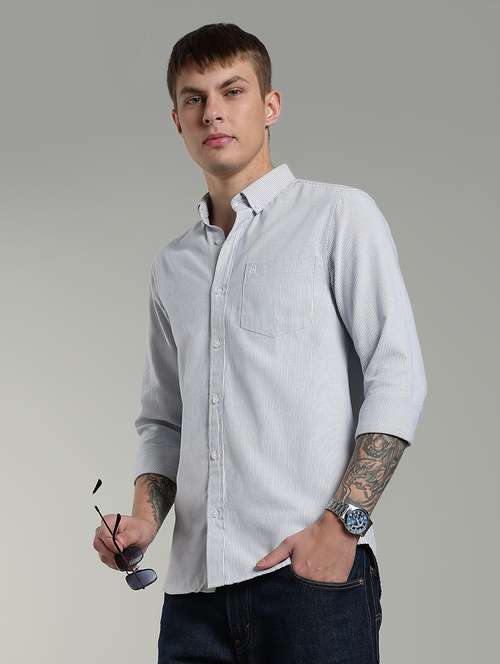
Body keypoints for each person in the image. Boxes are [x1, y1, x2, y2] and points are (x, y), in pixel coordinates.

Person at [93, 22, 427, 664]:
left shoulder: (337, 216)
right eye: (194, 98)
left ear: (270, 105)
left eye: (232, 91)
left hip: (309, 583)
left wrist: (344, 527)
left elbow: (398, 373)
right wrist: (143, 520)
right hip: (194, 599)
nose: (212, 112)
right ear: (177, 120)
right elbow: (163, 419)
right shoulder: (172, 267)